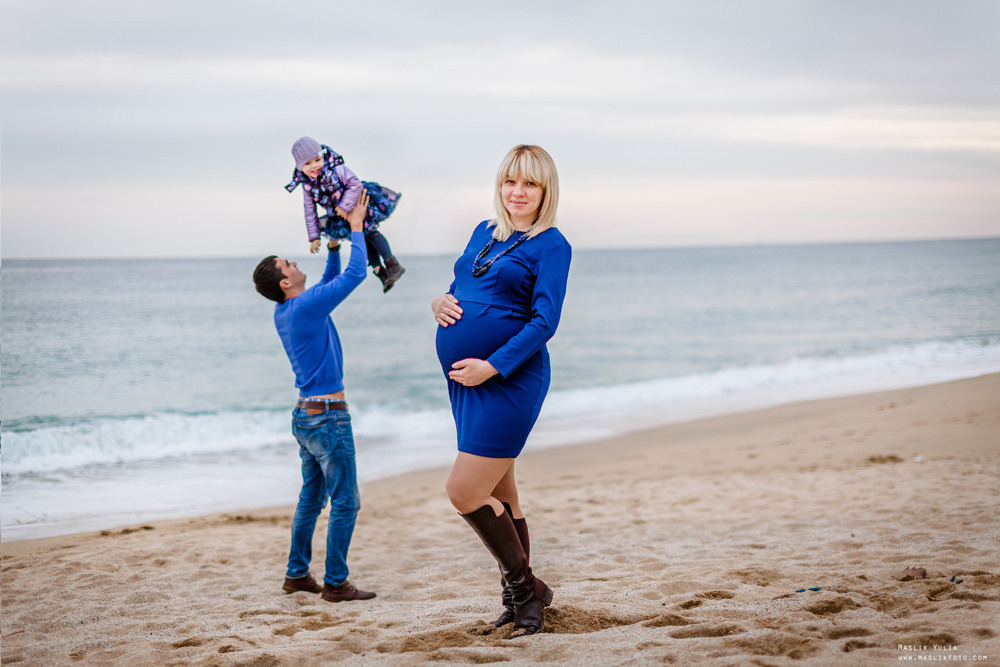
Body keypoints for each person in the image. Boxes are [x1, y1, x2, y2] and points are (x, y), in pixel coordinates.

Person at [431, 145, 572, 637]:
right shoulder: (484, 232)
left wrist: (492, 366)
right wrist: (438, 302)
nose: (518, 192)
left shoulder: (552, 245)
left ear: (545, 190)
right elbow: (463, 285)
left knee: (464, 490)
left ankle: (526, 588)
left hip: (509, 380)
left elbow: (545, 321)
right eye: (511, 181)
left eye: (530, 184)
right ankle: (520, 602)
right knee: (501, 494)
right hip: (466, 384)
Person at [252, 191, 376, 603]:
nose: (294, 262)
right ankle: (336, 584)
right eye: (289, 264)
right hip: (327, 417)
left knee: (311, 499)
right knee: (345, 502)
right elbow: (355, 277)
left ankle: (297, 575)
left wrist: (335, 246)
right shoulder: (305, 308)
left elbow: (327, 285)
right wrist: (356, 227)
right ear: (285, 282)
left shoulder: (288, 310)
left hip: (306, 417)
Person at [285, 136, 406, 293]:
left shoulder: (335, 168)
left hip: (356, 202)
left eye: (317, 160)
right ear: (300, 167)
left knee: (371, 232)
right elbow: (309, 210)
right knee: (362, 237)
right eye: (308, 164)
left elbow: (354, 183)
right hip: (339, 215)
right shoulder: (307, 185)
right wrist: (314, 236)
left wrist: (344, 206)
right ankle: (380, 272)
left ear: (322, 156)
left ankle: (392, 264)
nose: (314, 166)